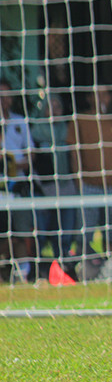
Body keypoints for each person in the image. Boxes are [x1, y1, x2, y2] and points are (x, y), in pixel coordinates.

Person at [67, 86, 112, 278]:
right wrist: (78, 179)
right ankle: (85, 270)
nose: (101, 98)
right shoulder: (80, 119)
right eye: (97, 94)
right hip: (89, 184)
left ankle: (111, 267)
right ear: (89, 97)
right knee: (85, 231)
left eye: (105, 94)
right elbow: (74, 151)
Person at [31, 93, 80, 278]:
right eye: (50, 106)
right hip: (44, 189)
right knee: (42, 231)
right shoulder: (35, 132)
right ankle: (38, 270)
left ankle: (64, 268)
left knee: (66, 230)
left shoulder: (67, 130)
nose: (55, 110)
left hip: (66, 187)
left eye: (58, 106)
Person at [1, 81, 36, 282]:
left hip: (18, 186)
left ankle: (23, 273)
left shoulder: (20, 122)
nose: (3, 100)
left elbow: (31, 154)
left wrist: (14, 165)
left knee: (21, 231)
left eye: (6, 95)